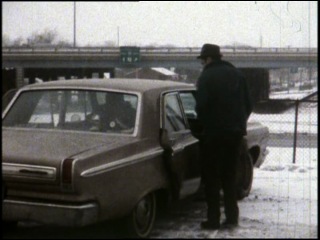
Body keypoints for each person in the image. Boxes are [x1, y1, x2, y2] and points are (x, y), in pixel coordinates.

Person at [195, 43, 253, 230]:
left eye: (203, 60)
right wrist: (238, 124)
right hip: (234, 135)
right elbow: (249, 104)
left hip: (213, 135)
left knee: (212, 177)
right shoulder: (237, 74)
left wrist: (205, 125)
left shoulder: (206, 76)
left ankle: (213, 220)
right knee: (229, 176)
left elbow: (201, 106)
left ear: (208, 59)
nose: (202, 64)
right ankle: (232, 217)